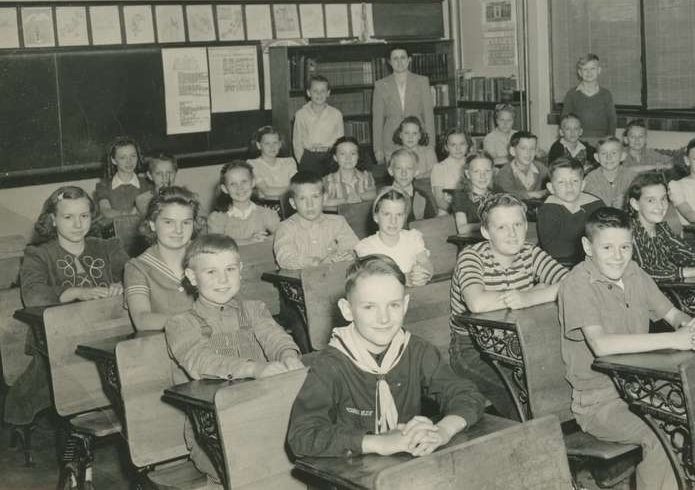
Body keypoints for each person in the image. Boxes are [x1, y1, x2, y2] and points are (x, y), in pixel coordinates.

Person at [558, 207, 695, 490]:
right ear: (587, 247)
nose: (618, 256)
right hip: (599, 401)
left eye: (625, 247)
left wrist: (692, 327)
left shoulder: (634, 272)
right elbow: (601, 345)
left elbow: (672, 314)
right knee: (663, 435)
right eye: (607, 247)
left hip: (644, 387)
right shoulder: (577, 285)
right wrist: (674, 340)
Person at [287, 255, 487, 459]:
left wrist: (442, 431)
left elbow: (467, 394)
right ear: (347, 310)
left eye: (393, 305)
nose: (384, 318)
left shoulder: (417, 350)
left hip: (405, 463)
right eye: (369, 307)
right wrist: (378, 442)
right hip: (349, 469)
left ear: (405, 304)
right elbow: (302, 436)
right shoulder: (330, 365)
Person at [166, 234, 303, 480]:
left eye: (230, 269)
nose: (223, 279)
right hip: (213, 432)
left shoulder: (254, 309)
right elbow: (201, 361)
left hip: (266, 414)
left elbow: (275, 337)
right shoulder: (181, 324)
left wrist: (289, 356)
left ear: (240, 270)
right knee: (258, 465)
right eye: (211, 272)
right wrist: (254, 369)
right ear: (192, 277)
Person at [5, 187, 128, 430]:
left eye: (84, 216)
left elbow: (134, 273)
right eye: (68, 217)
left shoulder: (107, 247)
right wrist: (74, 292)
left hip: (108, 331)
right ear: (53, 219)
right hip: (56, 337)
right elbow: (33, 295)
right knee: (46, 386)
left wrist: (121, 284)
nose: (77, 224)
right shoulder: (39, 254)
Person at [449, 194, 568, 418]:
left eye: (517, 224)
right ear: (486, 232)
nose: (512, 233)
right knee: (521, 396)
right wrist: (533, 291)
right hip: (473, 350)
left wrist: (531, 298)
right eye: (501, 227)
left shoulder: (530, 253)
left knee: (564, 378)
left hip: (523, 343)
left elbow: (573, 284)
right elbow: (477, 302)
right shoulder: (471, 257)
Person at [626, 173, 695, 281]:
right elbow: (644, 273)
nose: (660, 206)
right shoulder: (629, 233)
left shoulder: (662, 229)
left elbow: (688, 254)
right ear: (635, 204)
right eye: (651, 200)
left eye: (663, 199)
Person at [124, 186, 202, 331]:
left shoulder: (205, 256)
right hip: (163, 344)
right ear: (153, 224)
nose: (178, 230)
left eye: (186, 222)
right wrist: (189, 323)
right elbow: (141, 319)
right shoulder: (138, 267)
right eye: (168, 222)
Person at [273, 171, 359, 270]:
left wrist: (349, 254)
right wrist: (316, 262)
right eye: (302, 198)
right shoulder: (285, 228)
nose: (310, 204)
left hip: (335, 276)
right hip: (300, 281)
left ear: (325, 198)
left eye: (315, 197)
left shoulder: (338, 222)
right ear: (293, 203)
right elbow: (285, 259)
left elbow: (353, 246)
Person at [355, 189, 434, 287]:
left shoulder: (412, 237)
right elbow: (378, 279)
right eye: (387, 214)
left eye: (399, 215)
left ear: (405, 217)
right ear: (375, 217)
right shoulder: (367, 247)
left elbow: (426, 263)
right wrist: (405, 278)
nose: (393, 221)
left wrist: (423, 274)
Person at [372, 46, 435, 164]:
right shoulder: (380, 85)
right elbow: (377, 119)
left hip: (417, 139)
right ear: (389, 62)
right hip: (391, 141)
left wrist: (431, 145)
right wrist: (378, 149)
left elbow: (429, 116)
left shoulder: (422, 81)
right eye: (395, 58)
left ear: (409, 59)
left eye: (403, 58)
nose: (399, 62)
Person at [537, 158, 604, 265]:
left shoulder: (596, 205)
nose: (569, 186)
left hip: (592, 261)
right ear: (551, 188)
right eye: (561, 182)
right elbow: (552, 250)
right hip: (557, 264)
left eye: (575, 181)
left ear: (583, 185)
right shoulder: (548, 210)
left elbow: (605, 237)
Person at [206, 160, 280, 243]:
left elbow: (282, 234)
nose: (240, 188)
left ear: (253, 183)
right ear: (225, 189)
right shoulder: (217, 218)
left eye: (244, 181)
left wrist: (263, 240)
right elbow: (217, 243)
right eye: (233, 184)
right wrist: (248, 241)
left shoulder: (265, 213)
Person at [293, 74, 344, 175]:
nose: (319, 94)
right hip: (309, 156)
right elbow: (297, 140)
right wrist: (302, 160)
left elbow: (340, 139)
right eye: (315, 91)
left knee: (331, 187)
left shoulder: (336, 114)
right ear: (308, 93)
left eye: (323, 91)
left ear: (328, 93)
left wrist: (338, 158)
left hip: (330, 157)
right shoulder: (301, 114)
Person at [560, 53, 616, 145]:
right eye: (585, 69)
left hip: (601, 142)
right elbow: (564, 121)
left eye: (592, 69)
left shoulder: (606, 94)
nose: (589, 73)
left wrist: (609, 142)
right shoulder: (571, 95)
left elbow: (612, 121)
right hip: (578, 142)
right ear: (579, 73)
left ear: (599, 70)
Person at [95, 136, 151, 219]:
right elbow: (105, 211)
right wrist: (130, 213)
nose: (129, 161)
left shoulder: (147, 184)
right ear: (113, 160)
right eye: (123, 157)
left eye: (133, 156)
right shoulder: (104, 185)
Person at [322, 135, 376, 209]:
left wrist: (358, 196)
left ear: (358, 156)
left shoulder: (366, 176)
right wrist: (345, 200)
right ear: (335, 157)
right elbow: (322, 201)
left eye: (353, 153)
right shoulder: (327, 180)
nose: (348, 158)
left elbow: (374, 194)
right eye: (342, 154)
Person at [386, 148, 438, 222]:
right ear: (390, 171)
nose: (404, 173)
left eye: (409, 169)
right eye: (398, 168)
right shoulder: (384, 197)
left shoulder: (422, 197)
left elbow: (431, 224)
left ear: (416, 172)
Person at [248, 125, 298, 202]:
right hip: (267, 206)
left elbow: (297, 186)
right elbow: (267, 191)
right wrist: (292, 189)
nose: (272, 147)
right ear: (259, 145)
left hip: (289, 204)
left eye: (275, 142)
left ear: (280, 144)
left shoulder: (289, 162)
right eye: (267, 143)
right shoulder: (252, 164)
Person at [494, 131, 548, 201]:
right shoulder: (504, 172)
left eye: (532, 148)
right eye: (523, 148)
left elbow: (555, 183)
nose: (528, 153)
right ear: (512, 151)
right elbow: (506, 195)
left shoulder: (540, 167)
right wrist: (531, 194)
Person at [451, 154, 496, 236]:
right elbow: (462, 229)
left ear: (492, 172)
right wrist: (486, 224)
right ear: (467, 174)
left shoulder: (497, 192)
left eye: (487, 171)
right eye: (476, 171)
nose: (482, 176)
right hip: (472, 242)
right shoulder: (461, 196)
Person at [583, 136, 633, 208]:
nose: (608, 157)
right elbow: (594, 205)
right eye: (603, 153)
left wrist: (627, 202)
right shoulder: (590, 179)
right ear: (597, 157)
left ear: (623, 156)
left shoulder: (632, 177)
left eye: (614, 153)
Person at [431, 129, 470, 213]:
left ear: (467, 145)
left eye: (462, 144)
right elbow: (439, 201)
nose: (458, 148)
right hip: (449, 212)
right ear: (446, 147)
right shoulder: (439, 168)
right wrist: (459, 212)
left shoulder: (472, 164)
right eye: (453, 145)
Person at [482, 104, 516, 168]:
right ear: (497, 120)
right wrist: (518, 157)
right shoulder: (489, 138)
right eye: (502, 120)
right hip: (499, 171)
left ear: (513, 121)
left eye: (509, 120)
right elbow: (493, 161)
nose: (505, 123)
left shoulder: (518, 135)